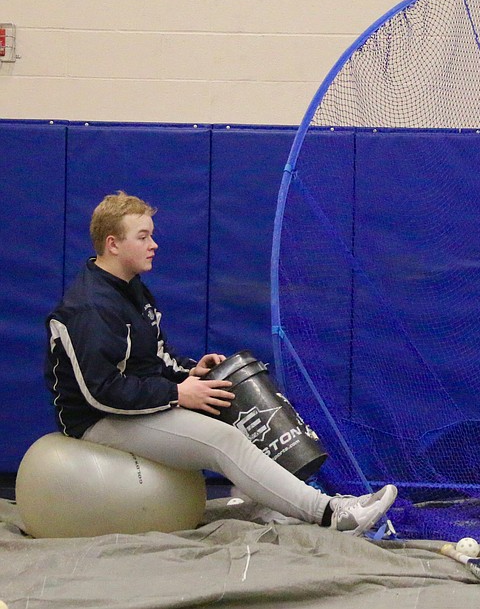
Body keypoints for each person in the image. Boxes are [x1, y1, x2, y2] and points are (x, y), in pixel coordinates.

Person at [45, 190, 396, 536]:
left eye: (151, 234)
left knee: (239, 400)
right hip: (99, 421)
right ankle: (331, 513)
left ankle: (271, 503)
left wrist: (190, 372)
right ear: (113, 244)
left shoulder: (130, 287)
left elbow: (152, 357)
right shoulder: (89, 307)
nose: (154, 244)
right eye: (143, 236)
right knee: (223, 440)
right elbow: (99, 393)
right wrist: (179, 393)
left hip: (136, 404)